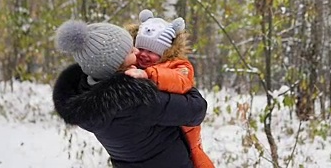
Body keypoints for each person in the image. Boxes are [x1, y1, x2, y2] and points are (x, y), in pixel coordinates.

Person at [53, 19, 207, 168]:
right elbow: (196, 109)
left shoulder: (85, 94)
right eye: (129, 51)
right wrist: (165, 76)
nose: (136, 50)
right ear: (117, 64)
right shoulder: (137, 100)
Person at [124, 9, 215, 168]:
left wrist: (149, 74)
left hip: (185, 128)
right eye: (141, 49)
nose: (144, 55)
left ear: (165, 53)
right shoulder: (133, 63)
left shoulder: (179, 65)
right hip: (154, 135)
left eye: (152, 51)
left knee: (196, 155)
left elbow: (180, 81)